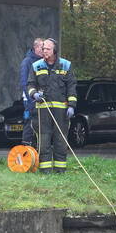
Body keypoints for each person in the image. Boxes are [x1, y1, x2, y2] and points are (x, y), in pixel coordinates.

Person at [26, 38, 77, 173]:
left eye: (47, 49)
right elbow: (30, 84)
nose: (44, 51)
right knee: (44, 141)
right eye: (43, 49)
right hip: (42, 111)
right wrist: (34, 94)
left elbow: (72, 86)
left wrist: (71, 105)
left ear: (54, 50)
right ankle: (45, 172)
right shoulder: (36, 66)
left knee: (61, 141)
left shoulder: (66, 65)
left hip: (61, 112)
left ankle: (60, 171)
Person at [18, 38, 45, 149]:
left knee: (39, 124)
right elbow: (24, 83)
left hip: (39, 98)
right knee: (29, 123)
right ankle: (27, 148)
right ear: (36, 47)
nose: (44, 50)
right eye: (42, 47)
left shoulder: (43, 61)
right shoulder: (27, 62)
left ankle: (38, 149)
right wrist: (31, 98)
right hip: (30, 99)